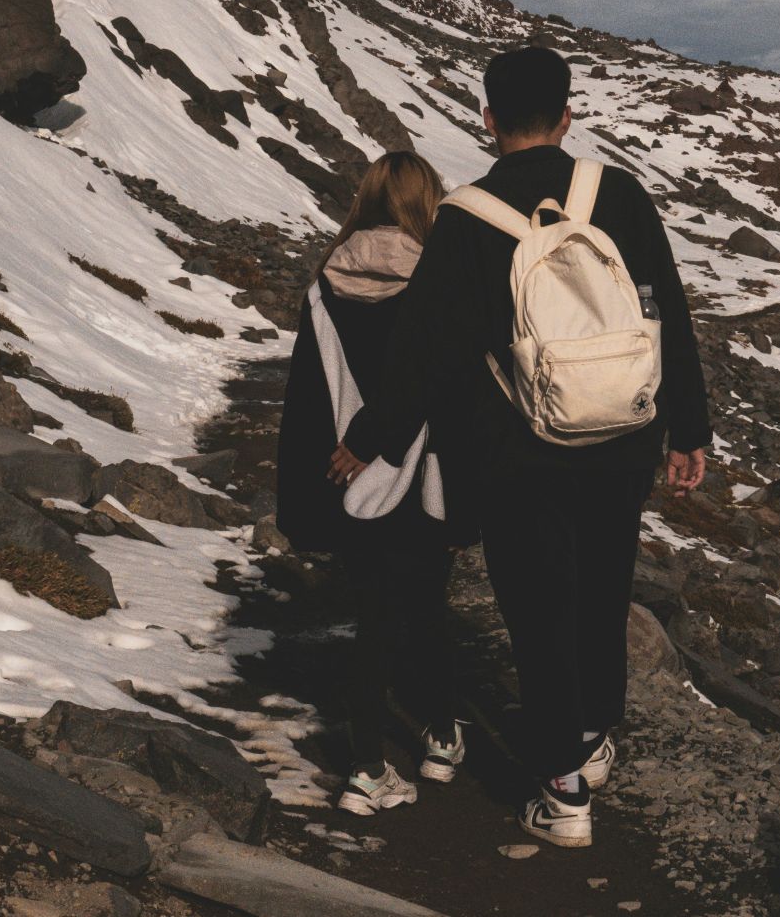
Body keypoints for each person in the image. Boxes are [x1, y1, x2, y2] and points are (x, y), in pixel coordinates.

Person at [338, 47, 711, 848]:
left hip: (519, 448)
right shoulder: (619, 193)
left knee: (538, 608)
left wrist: (373, 440)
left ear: (488, 119)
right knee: (604, 589)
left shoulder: (467, 217)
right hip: (623, 437)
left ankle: (563, 791)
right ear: (568, 115)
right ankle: (595, 737)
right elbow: (666, 313)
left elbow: (427, 351)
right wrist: (691, 430)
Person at [275, 151, 469, 817]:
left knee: (374, 615)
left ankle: (369, 761)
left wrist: (313, 490)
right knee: (425, 611)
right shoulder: (439, 282)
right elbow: (447, 392)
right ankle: (430, 746)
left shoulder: (326, 283)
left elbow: (306, 398)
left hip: (350, 479)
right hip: (422, 479)